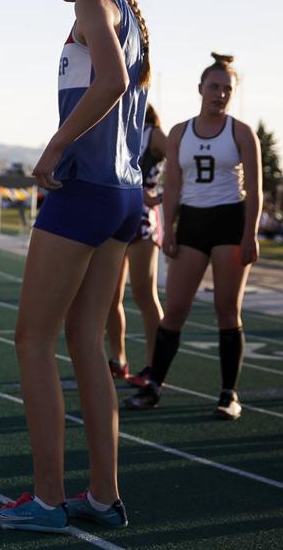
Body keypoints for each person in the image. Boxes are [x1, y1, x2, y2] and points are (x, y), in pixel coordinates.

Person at [0, 0, 148, 534]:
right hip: (124, 194)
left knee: (31, 342)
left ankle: (46, 500)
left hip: (86, 192)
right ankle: (103, 495)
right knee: (84, 345)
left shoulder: (94, 5)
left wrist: (53, 149)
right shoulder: (124, 9)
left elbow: (113, 82)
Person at [123, 54, 262, 419]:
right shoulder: (180, 132)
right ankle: (154, 385)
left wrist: (250, 235)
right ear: (200, 88)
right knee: (176, 309)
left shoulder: (241, 132)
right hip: (193, 224)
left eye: (227, 89)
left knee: (226, 310)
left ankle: (228, 393)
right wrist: (168, 229)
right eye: (214, 87)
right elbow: (172, 186)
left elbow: (257, 191)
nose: (220, 94)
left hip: (229, 222)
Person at [106, 103, 167, 388]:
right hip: (114, 219)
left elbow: (184, 165)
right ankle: (118, 359)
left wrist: (159, 194)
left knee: (144, 295)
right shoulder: (116, 129)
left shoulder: (153, 134)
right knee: (108, 296)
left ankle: (156, 365)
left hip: (142, 222)